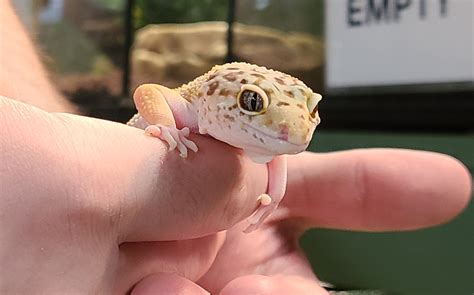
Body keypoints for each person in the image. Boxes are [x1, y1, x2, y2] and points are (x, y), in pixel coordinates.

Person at [0, 2, 471, 294]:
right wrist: (168, 132)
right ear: (217, 98)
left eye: (310, 113)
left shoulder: (273, 144)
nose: (295, 130)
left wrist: (271, 201)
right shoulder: (189, 106)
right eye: (254, 104)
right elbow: (148, 93)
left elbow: (277, 163)